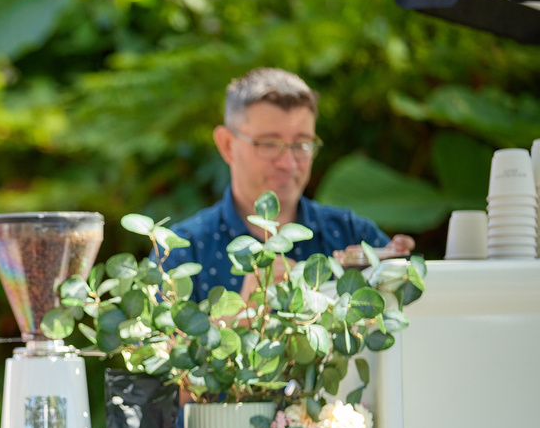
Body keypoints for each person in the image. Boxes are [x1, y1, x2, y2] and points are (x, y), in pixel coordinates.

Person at [164, 67, 415, 301]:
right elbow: (150, 346)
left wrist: (400, 274)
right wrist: (240, 317)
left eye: (301, 144)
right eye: (269, 144)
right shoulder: (181, 250)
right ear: (227, 144)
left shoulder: (352, 235)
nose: (288, 162)